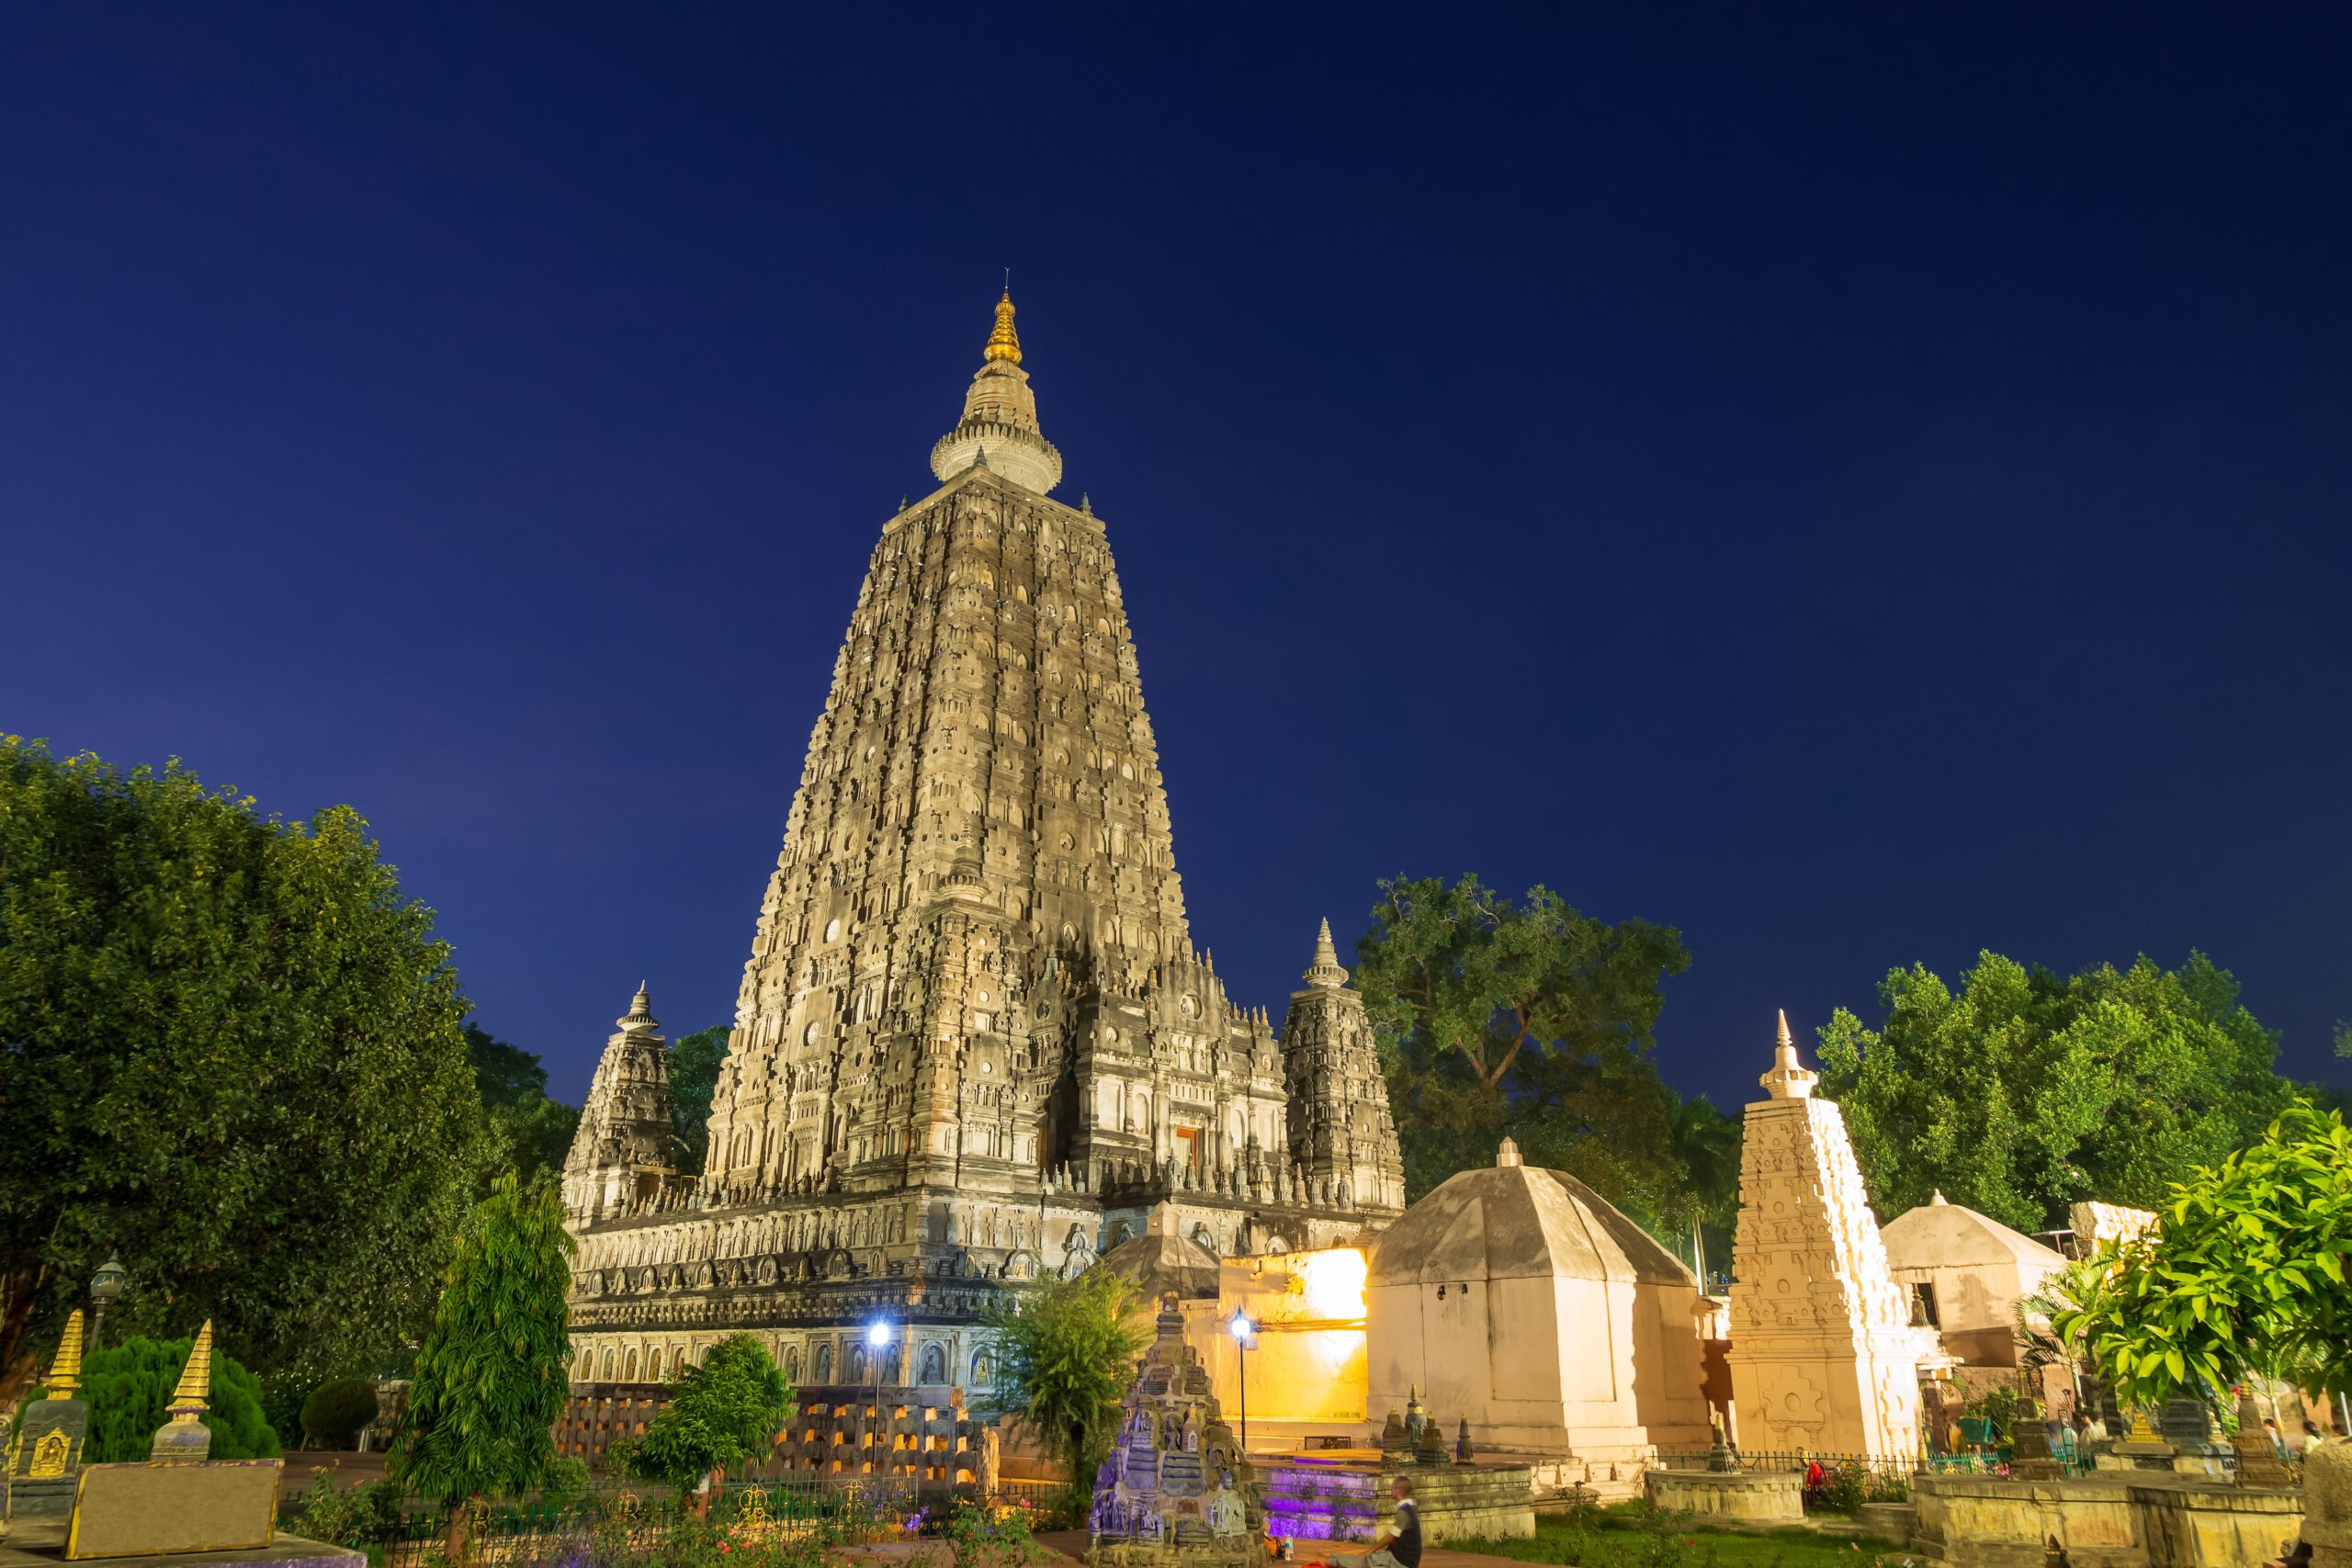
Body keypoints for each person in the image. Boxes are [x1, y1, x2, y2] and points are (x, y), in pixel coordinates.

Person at [1327, 1476, 1420, 1568]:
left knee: (1363, 1561)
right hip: (1404, 1557)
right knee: (1369, 1557)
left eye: (1392, 1488)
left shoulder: (1404, 1512)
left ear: (1398, 1490)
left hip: (1401, 1561)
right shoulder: (1411, 1506)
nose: (1391, 1490)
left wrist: (1370, 1550)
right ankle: (1335, 1560)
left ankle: (1331, 1561)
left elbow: (1391, 1537)